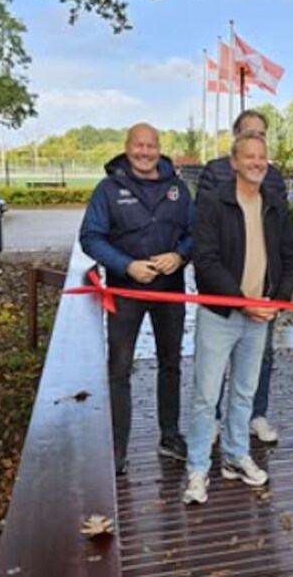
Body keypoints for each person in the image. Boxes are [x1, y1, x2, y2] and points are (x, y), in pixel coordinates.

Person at [183, 131, 293, 505]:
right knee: (206, 396)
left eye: (262, 157)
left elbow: (290, 257)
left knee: (245, 392)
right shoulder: (213, 202)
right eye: (249, 156)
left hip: (260, 316)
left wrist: (278, 302)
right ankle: (198, 468)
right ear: (234, 162)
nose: (256, 163)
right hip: (220, 314)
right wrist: (241, 301)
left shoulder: (274, 205)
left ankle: (235, 454)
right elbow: (206, 260)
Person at [79, 123, 196, 476]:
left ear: (159, 148)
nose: (145, 152)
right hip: (125, 292)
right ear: (127, 147)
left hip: (170, 290)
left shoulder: (177, 188)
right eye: (138, 146)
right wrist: (126, 265)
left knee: (171, 364)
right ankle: (118, 448)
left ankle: (170, 436)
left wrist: (180, 256)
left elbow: (195, 233)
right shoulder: (108, 189)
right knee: (119, 368)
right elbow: (90, 237)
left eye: (151, 146)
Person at [196, 109, 286, 444]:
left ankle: (254, 417)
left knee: (259, 363)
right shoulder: (214, 175)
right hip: (224, 302)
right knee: (212, 374)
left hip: (263, 299)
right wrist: (237, 298)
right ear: (236, 141)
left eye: (261, 135)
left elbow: (284, 244)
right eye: (250, 134)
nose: (256, 144)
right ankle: (213, 423)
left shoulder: (273, 179)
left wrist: (277, 297)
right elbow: (207, 248)